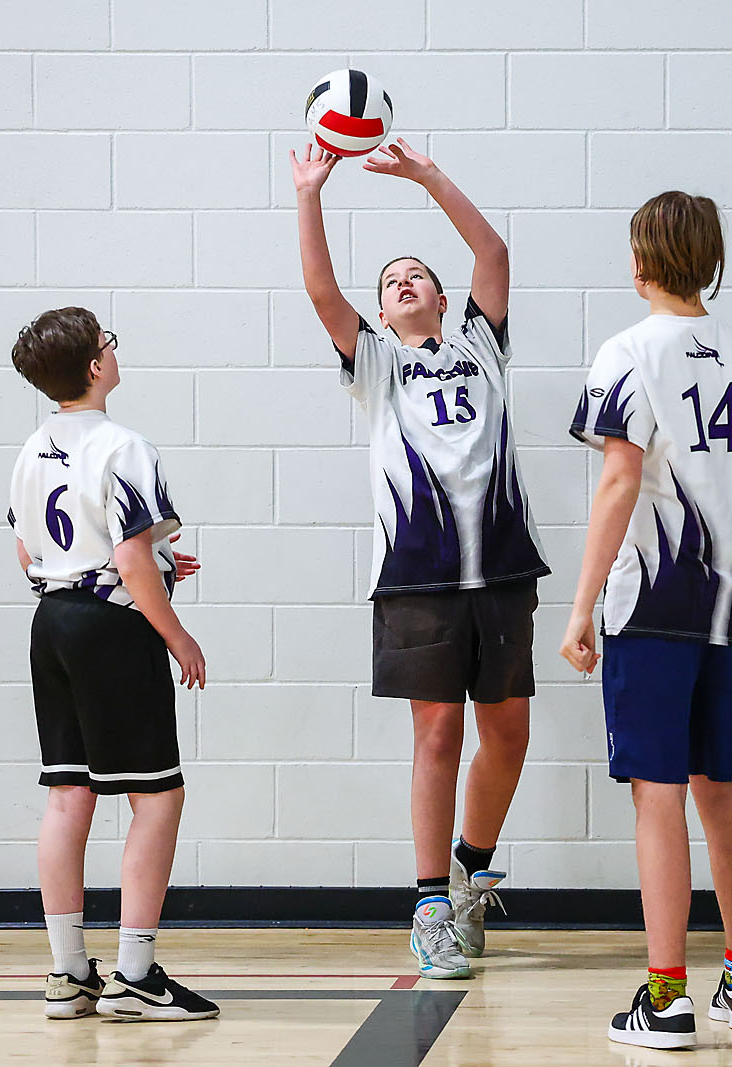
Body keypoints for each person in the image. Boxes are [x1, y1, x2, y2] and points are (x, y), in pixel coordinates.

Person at [561, 191, 732, 1050]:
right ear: (710, 260)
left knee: (659, 796)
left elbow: (618, 480)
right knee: (721, 787)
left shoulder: (627, 351)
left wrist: (580, 604)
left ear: (640, 263)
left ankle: (665, 995)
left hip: (650, 605)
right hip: (727, 610)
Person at [291, 140, 548, 980]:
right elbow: (322, 292)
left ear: (441, 296)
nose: (402, 282)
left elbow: (493, 252)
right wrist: (310, 194)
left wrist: (428, 177)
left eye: (416, 275)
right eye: (390, 281)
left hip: (502, 567)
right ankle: (431, 903)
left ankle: (473, 869)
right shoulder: (377, 362)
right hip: (418, 574)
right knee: (438, 732)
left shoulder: (482, 346)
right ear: (383, 310)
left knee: (507, 732)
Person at [7, 307, 218, 1021]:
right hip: (111, 631)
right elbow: (128, 557)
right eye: (109, 343)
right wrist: (177, 634)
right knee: (157, 796)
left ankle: (68, 974)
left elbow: (29, 551)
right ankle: (135, 974)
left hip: (52, 622)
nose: (114, 351)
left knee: (68, 793)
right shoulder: (124, 445)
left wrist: (150, 562)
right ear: (97, 366)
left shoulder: (32, 448)